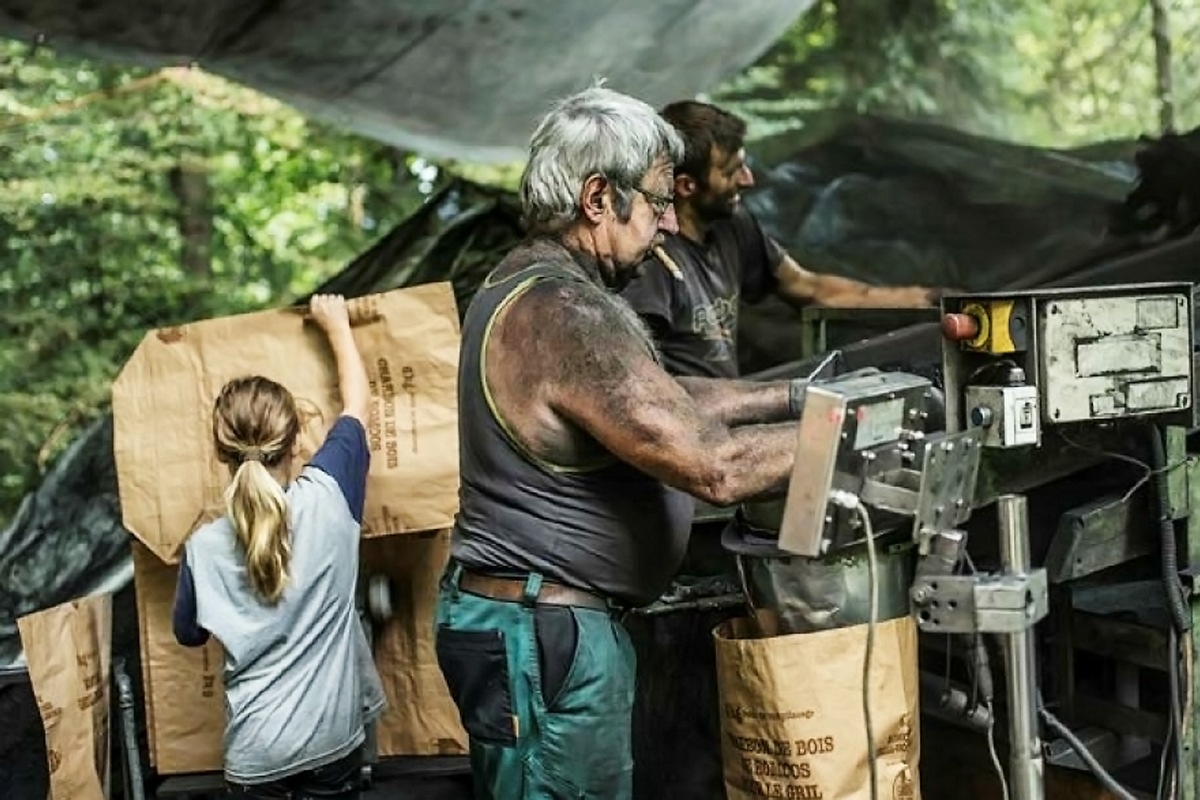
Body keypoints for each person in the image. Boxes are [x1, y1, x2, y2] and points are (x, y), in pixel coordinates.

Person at [434, 85, 811, 800]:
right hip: (542, 635)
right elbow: (715, 467)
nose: (670, 224)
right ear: (600, 198)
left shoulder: (545, 289)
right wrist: (846, 433)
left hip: (539, 628)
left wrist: (794, 398)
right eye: (659, 201)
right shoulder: (561, 311)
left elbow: (662, 401)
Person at [172, 294, 385, 799]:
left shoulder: (201, 549)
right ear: (295, 444)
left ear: (220, 453)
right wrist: (335, 325)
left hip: (254, 753)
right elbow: (357, 405)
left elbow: (188, 635)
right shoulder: (330, 498)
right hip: (333, 744)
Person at [621, 99, 940, 379]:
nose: (748, 179)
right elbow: (637, 375)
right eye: (732, 171)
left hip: (731, 412)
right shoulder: (650, 262)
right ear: (686, 186)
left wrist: (925, 299)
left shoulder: (734, 226)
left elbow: (810, 288)